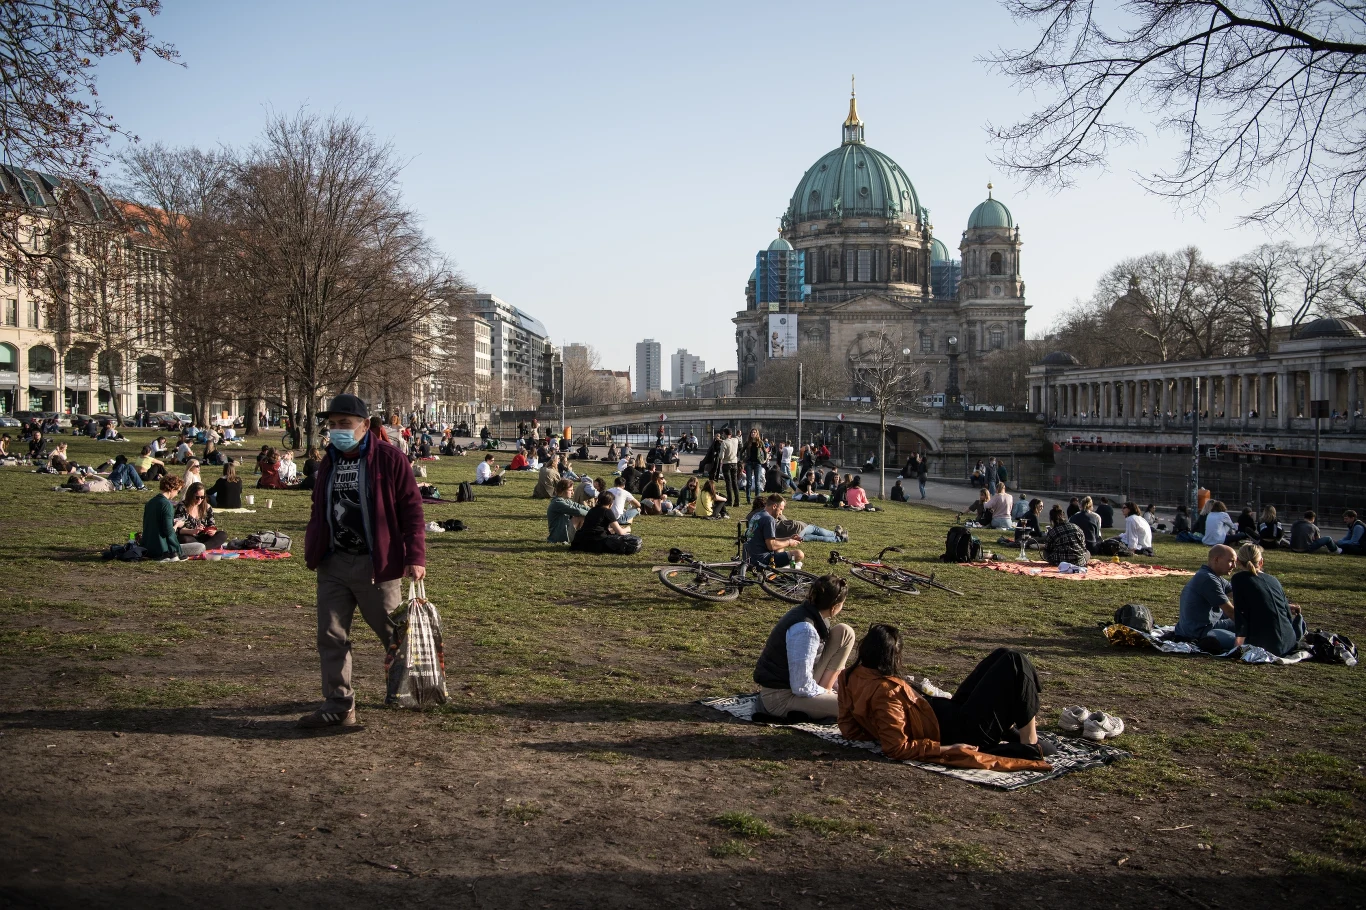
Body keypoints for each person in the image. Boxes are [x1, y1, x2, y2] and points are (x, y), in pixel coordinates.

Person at [301, 393, 426, 729]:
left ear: (365, 425)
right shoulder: (329, 460)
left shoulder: (390, 459)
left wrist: (415, 555)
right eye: (333, 424)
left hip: (377, 565)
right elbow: (320, 507)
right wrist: (314, 544)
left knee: (392, 633)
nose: (338, 430)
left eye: (345, 424)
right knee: (331, 635)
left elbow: (411, 510)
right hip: (333, 562)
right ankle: (339, 705)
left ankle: (411, 687)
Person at [838, 625, 1054, 768]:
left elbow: (849, 728)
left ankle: (1012, 731)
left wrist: (873, 729)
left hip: (949, 715)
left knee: (1003, 654)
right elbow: (896, 748)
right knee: (1015, 662)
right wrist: (950, 749)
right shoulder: (885, 692)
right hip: (964, 731)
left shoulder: (849, 676)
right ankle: (1029, 743)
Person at [751, 575, 855, 721]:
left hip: (796, 686)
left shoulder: (812, 613)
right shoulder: (805, 630)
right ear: (834, 607)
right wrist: (826, 693)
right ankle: (826, 696)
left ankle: (828, 691)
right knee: (855, 708)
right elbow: (801, 686)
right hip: (781, 698)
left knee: (844, 632)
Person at [1230, 543, 1307, 656]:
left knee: (1217, 634)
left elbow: (1241, 615)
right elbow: (1286, 613)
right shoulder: (1273, 580)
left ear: (1238, 562)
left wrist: (1237, 646)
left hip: (1265, 644)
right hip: (1288, 641)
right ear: (1261, 562)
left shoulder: (1238, 579)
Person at [1174, 545, 1238, 653]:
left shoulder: (1215, 577)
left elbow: (1237, 594)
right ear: (1217, 559)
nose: (1234, 566)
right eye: (1231, 561)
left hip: (1200, 626)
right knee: (1247, 631)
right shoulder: (1208, 579)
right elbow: (1231, 612)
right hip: (1199, 631)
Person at [142, 475, 206, 560]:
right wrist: (177, 525)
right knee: (200, 547)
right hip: (162, 548)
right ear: (172, 489)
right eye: (178, 491)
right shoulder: (167, 505)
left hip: (147, 545)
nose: (177, 494)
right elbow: (169, 532)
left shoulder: (150, 502)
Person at [745, 494, 804, 569]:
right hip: (762, 560)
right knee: (799, 554)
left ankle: (787, 566)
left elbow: (768, 540)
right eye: (781, 509)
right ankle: (783, 569)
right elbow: (771, 546)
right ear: (774, 506)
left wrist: (789, 538)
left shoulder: (757, 515)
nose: (781, 513)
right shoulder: (769, 519)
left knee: (780, 548)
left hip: (750, 557)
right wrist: (789, 542)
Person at [175, 482, 228, 550]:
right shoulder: (182, 506)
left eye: (202, 497)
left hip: (204, 537)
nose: (200, 500)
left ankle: (202, 548)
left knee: (222, 535)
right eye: (197, 497)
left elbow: (211, 524)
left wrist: (212, 530)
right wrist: (193, 531)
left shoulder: (207, 507)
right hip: (189, 536)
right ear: (191, 495)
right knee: (184, 539)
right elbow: (179, 530)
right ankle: (206, 547)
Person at [546, 478, 590, 544]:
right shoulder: (558, 503)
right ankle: (582, 537)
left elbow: (579, 506)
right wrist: (593, 514)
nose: (573, 492)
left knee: (582, 514)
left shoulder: (566, 500)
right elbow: (577, 511)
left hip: (562, 532)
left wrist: (594, 511)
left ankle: (583, 537)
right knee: (579, 516)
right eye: (570, 490)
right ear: (562, 491)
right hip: (558, 536)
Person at [719, 428, 741, 508]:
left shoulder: (724, 443)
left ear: (724, 434)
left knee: (728, 483)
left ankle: (730, 501)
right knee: (735, 482)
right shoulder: (735, 440)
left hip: (726, 463)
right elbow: (733, 441)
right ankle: (737, 501)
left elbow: (721, 456)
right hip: (734, 462)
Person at [743, 428, 765, 504]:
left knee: (757, 482)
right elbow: (741, 451)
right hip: (749, 462)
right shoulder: (748, 442)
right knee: (748, 482)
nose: (753, 434)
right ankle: (748, 499)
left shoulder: (760, 442)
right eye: (752, 432)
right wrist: (743, 459)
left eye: (754, 432)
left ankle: (757, 499)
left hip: (757, 463)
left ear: (757, 434)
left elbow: (765, 452)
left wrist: (763, 460)